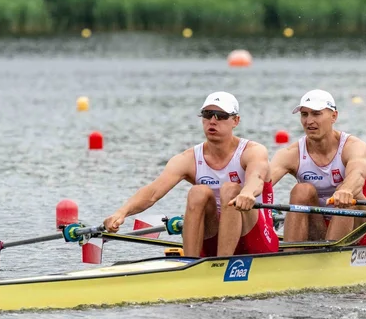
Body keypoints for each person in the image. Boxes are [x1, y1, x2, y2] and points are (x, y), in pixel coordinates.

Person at [102, 92, 279, 257]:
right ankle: (191, 263)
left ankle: (222, 264)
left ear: (235, 121)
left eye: (221, 116)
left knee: (231, 189)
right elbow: (153, 192)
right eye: (207, 114)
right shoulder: (187, 159)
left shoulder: (253, 151)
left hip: (257, 240)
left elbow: (256, 179)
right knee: (198, 192)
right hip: (213, 238)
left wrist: (247, 193)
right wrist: (121, 213)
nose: (212, 121)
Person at [233, 89, 366, 244]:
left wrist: (346, 190)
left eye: (316, 114)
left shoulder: (353, 146)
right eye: (304, 114)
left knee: (345, 191)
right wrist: (244, 193)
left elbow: (358, 174)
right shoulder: (291, 154)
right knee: (302, 190)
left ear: (334, 116)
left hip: (358, 228)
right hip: (317, 226)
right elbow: (262, 180)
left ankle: (332, 258)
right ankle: (292, 255)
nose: (309, 121)